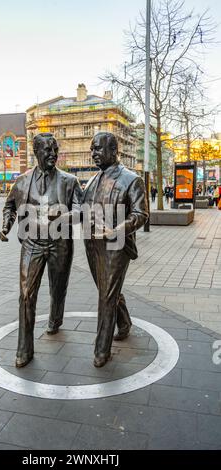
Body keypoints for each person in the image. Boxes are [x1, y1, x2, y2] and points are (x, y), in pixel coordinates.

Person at [0, 133, 82, 368]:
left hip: (60, 243)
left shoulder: (69, 182)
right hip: (32, 243)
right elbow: (9, 206)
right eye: (47, 150)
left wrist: (64, 215)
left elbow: (82, 210)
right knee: (26, 295)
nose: (53, 154)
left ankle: (56, 319)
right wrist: (6, 225)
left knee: (58, 289)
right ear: (36, 152)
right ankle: (25, 349)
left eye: (55, 150)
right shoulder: (22, 181)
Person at [83, 132, 148, 368]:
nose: (93, 154)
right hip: (92, 243)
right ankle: (125, 323)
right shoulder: (92, 180)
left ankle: (102, 350)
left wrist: (116, 230)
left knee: (106, 295)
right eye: (92, 150)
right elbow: (83, 210)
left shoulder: (131, 180)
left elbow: (141, 215)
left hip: (117, 245)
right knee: (107, 289)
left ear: (113, 150)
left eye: (97, 149)